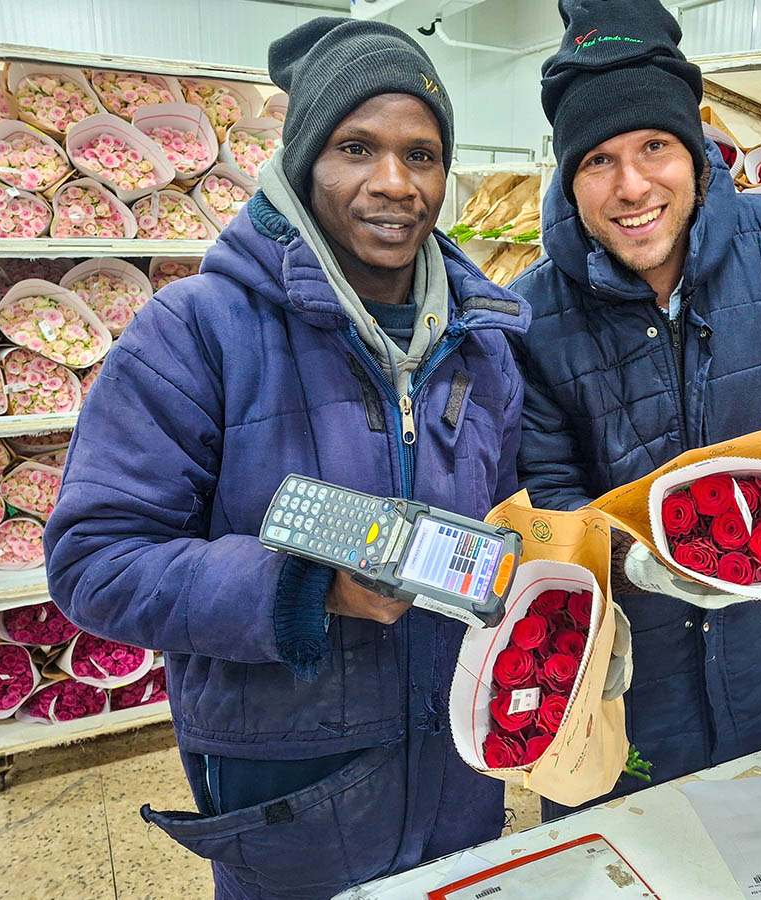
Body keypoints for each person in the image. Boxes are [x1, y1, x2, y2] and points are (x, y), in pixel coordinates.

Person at [44, 18, 528, 900]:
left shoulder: (481, 343)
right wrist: (307, 587)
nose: (394, 183)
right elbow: (93, 561)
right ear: (304, 161)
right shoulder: (195, 330)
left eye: (421, 155)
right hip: (291, 778)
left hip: (460, 764)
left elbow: (506, 525)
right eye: (356, 147)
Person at [510, 0, 761, 819]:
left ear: (695, 149)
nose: (633, 185)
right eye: (599, 160)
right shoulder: (532, 315)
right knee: (629, 853)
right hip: (621, 678)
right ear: (568, 175)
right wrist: (630, 564)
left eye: (655, 146)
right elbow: (544, 489)